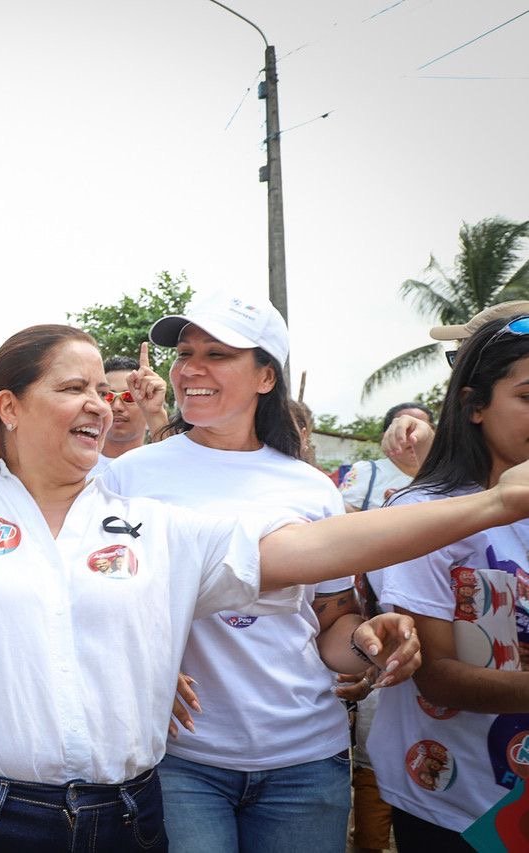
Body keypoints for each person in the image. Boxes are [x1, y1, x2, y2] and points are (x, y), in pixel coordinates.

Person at [0, 195, 529, 852]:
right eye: (74, 388)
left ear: (267, 376)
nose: (100, 406)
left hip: (124, 813)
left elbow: (311, 549)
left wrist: (493, 503)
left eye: (102, 393)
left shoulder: (151, 523)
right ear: (9, 407)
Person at [104, 292, 406, 853]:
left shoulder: (311, 487)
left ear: (266, 376)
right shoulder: (129, 477)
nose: (191, 368)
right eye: (185, 352)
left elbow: (331, 625)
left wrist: (369, 643)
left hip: (305, 759)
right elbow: (101, 601)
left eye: (217, 354)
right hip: (181, 759)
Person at [366, 314, 529, 851]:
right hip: (458, 802)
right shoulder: (428, 515)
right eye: (528, 395)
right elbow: (435, 675)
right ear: (474, 405)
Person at [341, 402, 434, 513]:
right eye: (407, 429)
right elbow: (343, 515)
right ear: (387, 436)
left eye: (424, 429)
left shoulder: (447, 474)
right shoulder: (367, 471)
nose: (416, 437)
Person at [99, 354, 169, 459]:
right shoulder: (73, 467)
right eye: (108, 396)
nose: (117, 406)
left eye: (128, 396)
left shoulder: (162, 464)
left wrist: (157, 415)